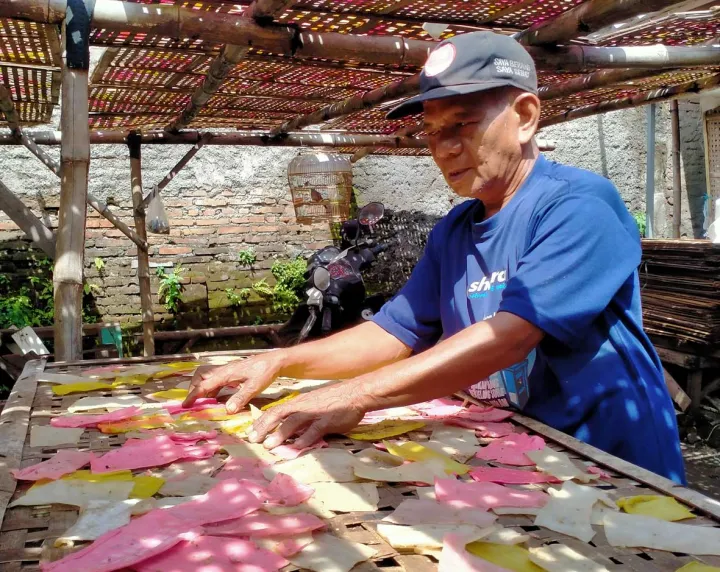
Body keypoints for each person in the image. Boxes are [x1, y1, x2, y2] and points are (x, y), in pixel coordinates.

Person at [185, 31, 686, 484]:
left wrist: (354, 395)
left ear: (527, 117)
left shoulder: (577, 205)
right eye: (431, 131)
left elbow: (508, 337)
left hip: (612, 465)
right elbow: (395, 331)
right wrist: (281, 361)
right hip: (528, 459)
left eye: (461, 125)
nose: (443, 149)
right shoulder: (455, 230)